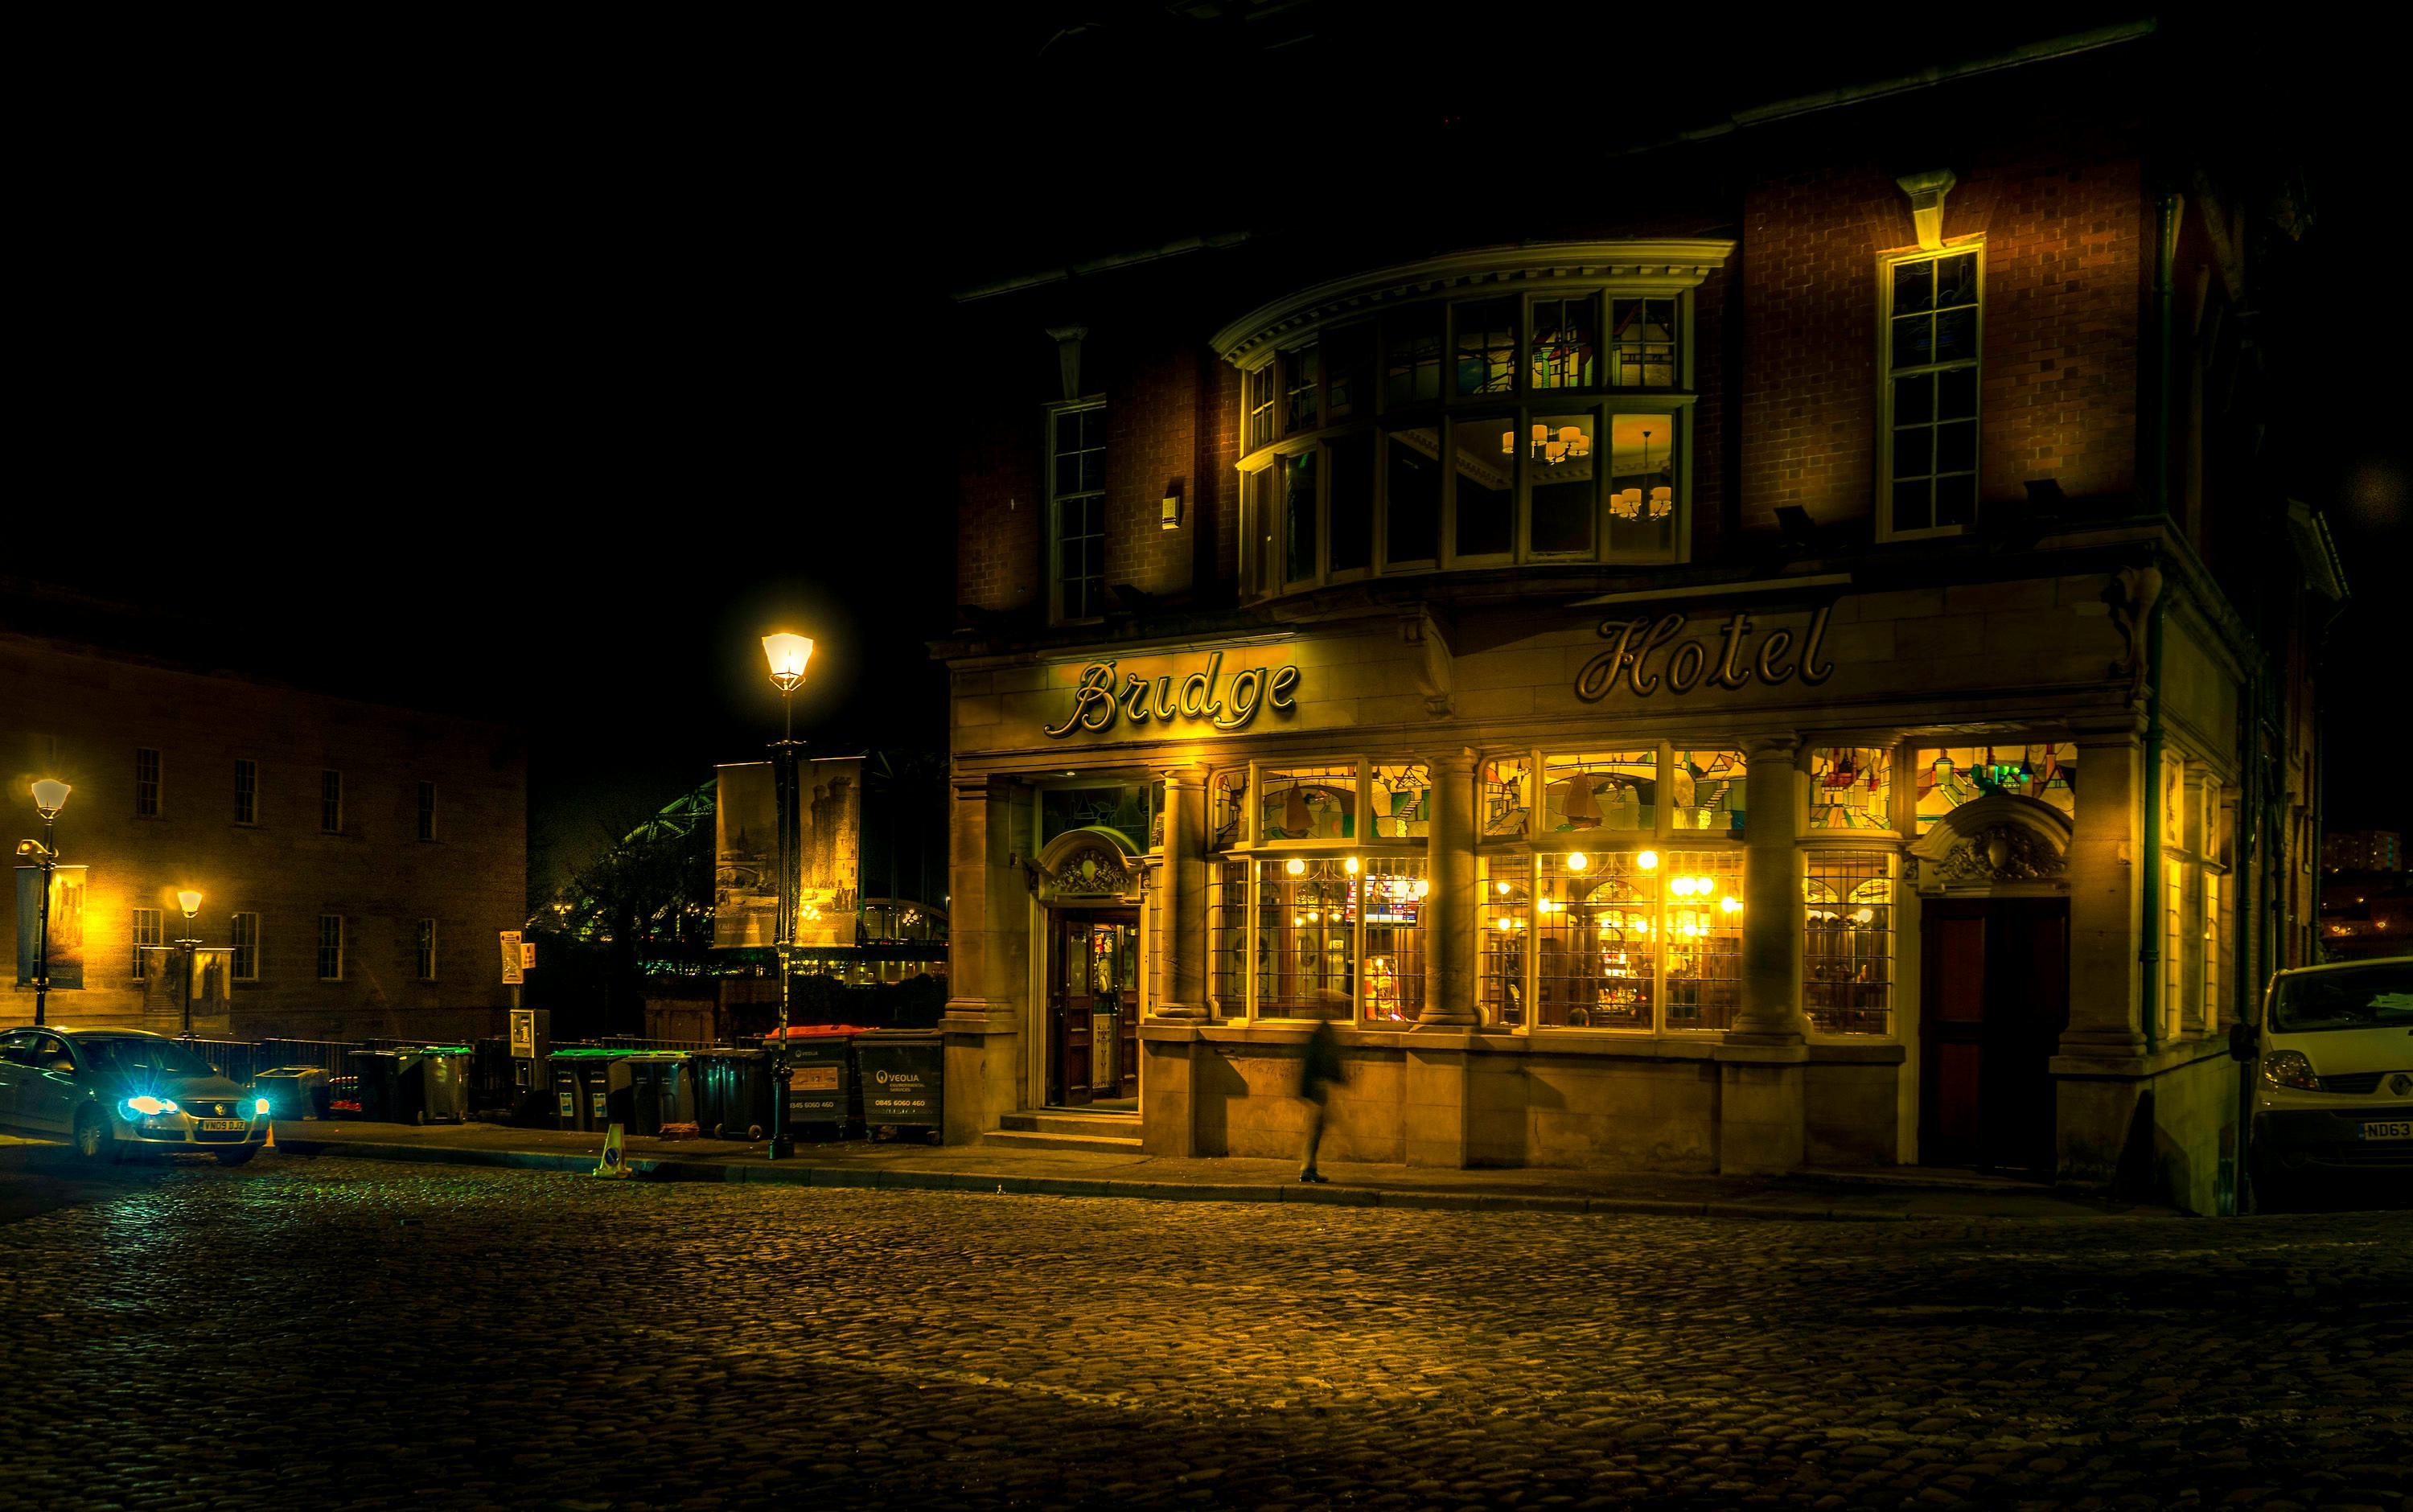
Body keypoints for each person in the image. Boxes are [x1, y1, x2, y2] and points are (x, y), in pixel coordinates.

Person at [1297, 1011, 1345, 1183]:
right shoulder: (1321, 1035)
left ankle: (1309, 1167)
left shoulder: (1321, 1033)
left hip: (1317, 1087)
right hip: (1317, 1088)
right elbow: (1322, 1062)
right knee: (1315, 1129)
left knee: (1316, 1129)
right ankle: (1307, 1169)